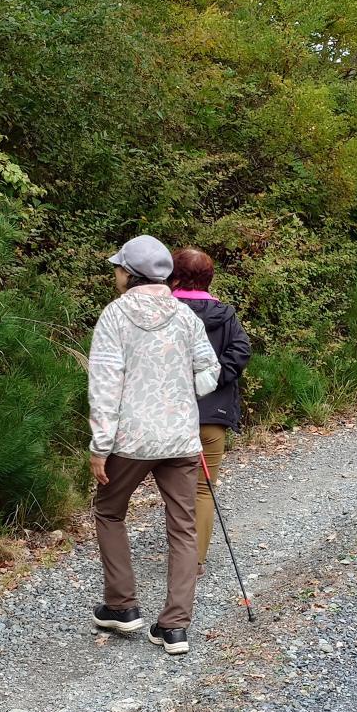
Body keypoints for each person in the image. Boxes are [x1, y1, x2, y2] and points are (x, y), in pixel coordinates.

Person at [88, 235, 221, 655]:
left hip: (129, 440)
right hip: (180, 436)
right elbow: (210, 370)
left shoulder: (114, 317)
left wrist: (99, 445)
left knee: (109, 510)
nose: (115, 273)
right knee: (182, 526)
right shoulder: (185, 317)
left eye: (118, 267)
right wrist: (185, 397)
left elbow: (105, 385)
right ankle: (175, 627)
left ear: (130, 273)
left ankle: (122, 606)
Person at [171, 247, 252, 573]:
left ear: (173, 275)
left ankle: (178, 551)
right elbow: (241, 351)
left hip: (170, 416)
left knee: (175, 489)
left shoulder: (164, 311)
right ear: (209, 278)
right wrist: (210, 380)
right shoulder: (226, 316)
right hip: (212, 417)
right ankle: (194, 561)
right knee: (203, 489)